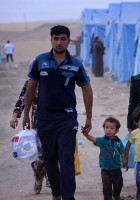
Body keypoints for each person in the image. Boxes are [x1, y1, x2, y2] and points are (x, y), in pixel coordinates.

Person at [22, 25, 93, 200]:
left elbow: (86, 90)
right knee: (51, 161)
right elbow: (30, 89)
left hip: (67, 119)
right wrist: (25, 114)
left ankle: (68, 197)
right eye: (56, 38)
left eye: (63, 38)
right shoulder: (40, 61)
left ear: (69, 41)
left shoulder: (76, 64)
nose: (59, 42)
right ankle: (56, 194)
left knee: (66, 158)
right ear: (51, 40)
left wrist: (89, 117)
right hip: (45, 120)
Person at [9, 74, 50, 194]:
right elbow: (22, 99)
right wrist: (15, 115)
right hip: (37, 125)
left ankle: (51, 176)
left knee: (55, 151)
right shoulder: (30, 83)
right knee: (38, 154)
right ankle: (39, 177)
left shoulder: (54, 81)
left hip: (55, 123)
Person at [83, 117, 124, 200]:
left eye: (112, 128)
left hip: (116, 169)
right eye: (107, 127)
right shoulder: (102, 140)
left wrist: (125, 162)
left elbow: (123, 153)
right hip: (105, 169)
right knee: (106, 187)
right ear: (104, 128)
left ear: (117, 131)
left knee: (119, 184)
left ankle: (116, 195)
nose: (109, 130)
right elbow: (93, 139)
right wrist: (86, 134)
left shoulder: (119, 142)